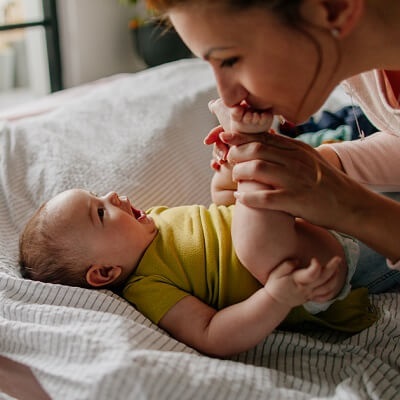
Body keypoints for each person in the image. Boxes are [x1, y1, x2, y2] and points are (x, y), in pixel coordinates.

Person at [19, 103, 376, 358]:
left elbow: (220, 213)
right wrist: (277, 298)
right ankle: (255, 146)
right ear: (105, 272)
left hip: (322, 224)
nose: (110, 195)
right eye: (100, 211)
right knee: (254, 240)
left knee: (247, 199)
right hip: (304, 272)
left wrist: (224, 176)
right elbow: (212, 335)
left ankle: (251, 159)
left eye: (99, 195)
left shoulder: (156, 220)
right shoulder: (148, 287)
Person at [146, 0, 400, 292]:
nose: (227, 97)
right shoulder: (363, 59)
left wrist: (349, 205)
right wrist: (325, 164)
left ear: (332, 7)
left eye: (230, 60)